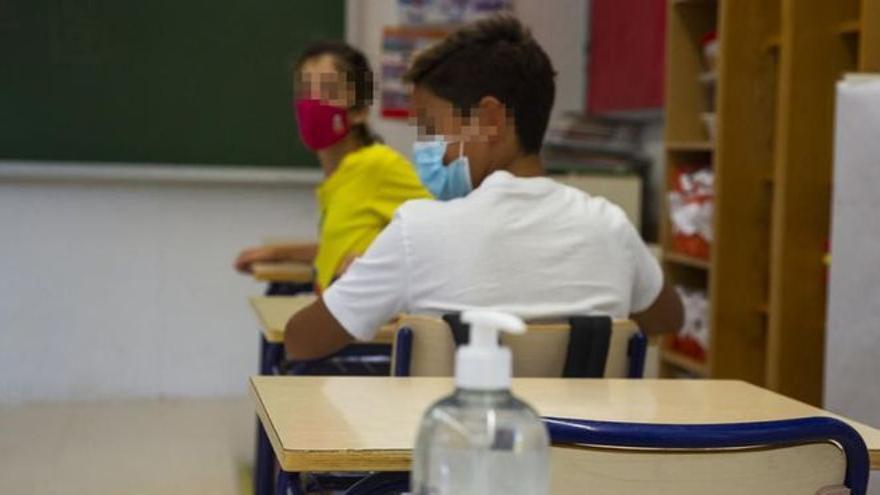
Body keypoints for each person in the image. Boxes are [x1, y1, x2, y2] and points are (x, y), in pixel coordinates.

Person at [284, 16, 683, 359]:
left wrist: (358, 284)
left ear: (491, 119)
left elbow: (300, 341)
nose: (433, 153)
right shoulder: (609, 225)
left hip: (453, 447)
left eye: (436, 129)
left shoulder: (418, 230)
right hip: (577, 448)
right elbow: (668, 317)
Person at [233, 41, 432, 292]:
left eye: (327, 91)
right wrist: (277, 252)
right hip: (332, 306)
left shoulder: (376, 165)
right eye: (305, 92)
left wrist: (381, 267)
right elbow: (337, 251)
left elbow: (441, 230)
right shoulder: (342, 175)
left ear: (359, 111)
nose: (312, 104)